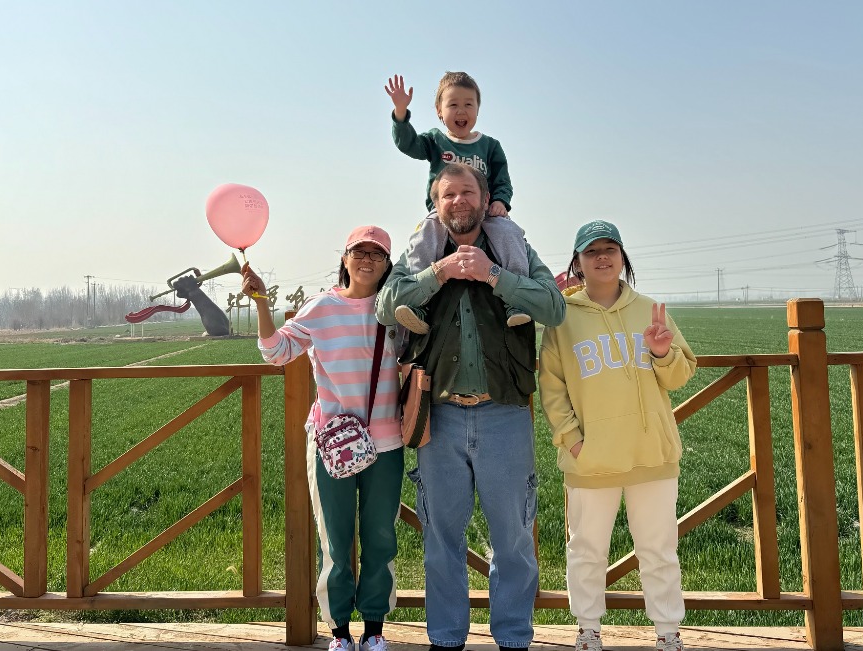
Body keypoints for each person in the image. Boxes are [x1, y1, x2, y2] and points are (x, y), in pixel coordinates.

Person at [375, 163, 566, 651]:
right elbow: (386, 303)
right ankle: (445, 639)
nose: (458, 201)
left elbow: (554, 306)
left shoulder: (513, 251)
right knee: (442, 542)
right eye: (447, 195)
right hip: (438, 419)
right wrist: (438, 274)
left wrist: (494, 276)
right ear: (435, 205)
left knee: (514, 542)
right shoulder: (424, 252)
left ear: (485, 200)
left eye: (467, 192)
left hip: (504, 413)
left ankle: (513, 639)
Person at [537, 220, 697, 651]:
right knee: (586, 549)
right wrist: (573, 441)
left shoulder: (650, 309)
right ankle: (588, 628)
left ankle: (668, 631)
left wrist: (662, 352)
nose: (602, 257)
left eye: (610, 249)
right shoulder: (561, 319)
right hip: (591, 459)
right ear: (577, 264)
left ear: (624, 258)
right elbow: (551, 389)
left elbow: (681, 375)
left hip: (651, 453)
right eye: (592, 252)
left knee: (659, 549)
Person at [245, 226, 403, 651]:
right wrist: (262, 303)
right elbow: (277, 351)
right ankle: (339, 631)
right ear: (345, 258)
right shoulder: (322, 307)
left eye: (377, 254)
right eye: (359, 251)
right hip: (333, 444)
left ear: (388, 264)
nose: (367, 259)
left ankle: (374, 629)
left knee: (380, 538)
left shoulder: (397, 308)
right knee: (334, 539)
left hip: (387, 442)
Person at [385, 71, 531, 334]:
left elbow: (502, 180)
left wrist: (501, 202)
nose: (461, 110)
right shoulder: (435, 141)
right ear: (440, 112)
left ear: (477, 109)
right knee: (423, 238)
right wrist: (400, 113)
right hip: (443, 216)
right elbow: (408, 144)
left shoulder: (490, 145)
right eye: (453, 104)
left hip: (483, 214)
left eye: (468, 104)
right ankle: (419, 303)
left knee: (511, 233)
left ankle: (516, 299)